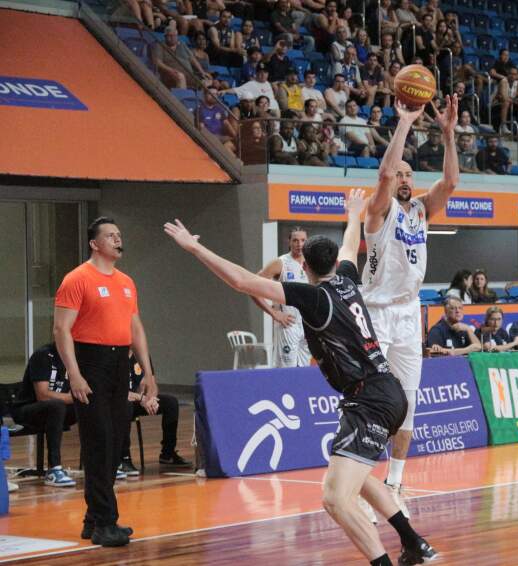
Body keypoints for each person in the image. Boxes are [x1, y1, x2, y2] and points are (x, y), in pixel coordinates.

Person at [164, 190, 439, 566]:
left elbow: (243, 282)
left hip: (370, 399)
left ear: (305, 267)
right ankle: (414, 543)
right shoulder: (347, 277)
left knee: (335, 499)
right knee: (354, 473)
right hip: (386, 390)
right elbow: (349, 245)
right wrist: (354, 213)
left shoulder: (314, 297)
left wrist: (195, 249)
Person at [360, 94, 459, 517]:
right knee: (370, 399)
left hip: (408, 311)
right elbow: (383, 171)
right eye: (400, 172)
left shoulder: (420, 209)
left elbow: (450, 183)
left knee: (409, 401)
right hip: (376, 311)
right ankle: (356, 477)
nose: (404, 177)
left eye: (409, 173)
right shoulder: (377, 212)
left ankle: (395, 482)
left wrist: (449, 135)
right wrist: (404, 123)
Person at [53, 217, 158, 547]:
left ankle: (93, 518)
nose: (117, 239)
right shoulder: (77, 279)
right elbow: (61, 330)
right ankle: (105, 523)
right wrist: (74, 372)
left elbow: (136, 329)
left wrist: (148, 374)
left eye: (119, 235)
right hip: (90, 362)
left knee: (115, 442)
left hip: (118, 363)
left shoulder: (126, 281)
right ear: (94, 244)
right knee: (98, 442)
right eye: (110, 236)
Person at [11, 343, 77, 487]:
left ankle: (104, 465)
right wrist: (74, 397)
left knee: (90, 407)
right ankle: (54, 469)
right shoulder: (43, 355)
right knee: (56, 405)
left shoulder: (76, 358)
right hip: (26, 411)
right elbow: (43, 395)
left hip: (56, 411)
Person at [120, 353, 188, 476]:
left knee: (171, 403)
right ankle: (124, 458)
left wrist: (151, 398)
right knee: (126, 406)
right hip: (118, 402)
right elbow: (116, 392)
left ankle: (168, 453)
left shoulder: (141, 355)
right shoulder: (114, 353)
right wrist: (141, 398)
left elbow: (152, 385)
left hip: (139, 400)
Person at [251, 227, 311, 367]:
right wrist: (273, 313)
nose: (299, 244)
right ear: (289, 241)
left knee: (304, 371)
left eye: (303, 240)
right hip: (288, 324)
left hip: (308, 326)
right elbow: (252, 287)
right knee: (286, 370)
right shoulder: (280, 263)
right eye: (295, 240)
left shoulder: (312, 263)